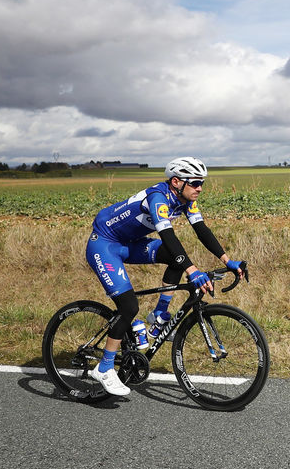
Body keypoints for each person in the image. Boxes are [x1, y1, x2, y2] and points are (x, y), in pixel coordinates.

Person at [85, 156, 244, 396]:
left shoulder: (184, 201)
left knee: (174, 257)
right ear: (177, 182)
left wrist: (227, 260)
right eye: (195, 183)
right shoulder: (158, 198)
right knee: (128, 306)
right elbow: (168, 236)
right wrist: (193, 271)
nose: (200, 188)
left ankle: (159, 316)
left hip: (130, 242)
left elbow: (202, 231)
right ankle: (105, 367)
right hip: (105, 244)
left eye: (202, 183)